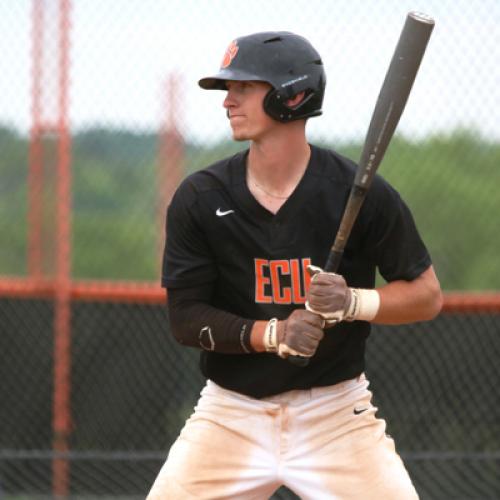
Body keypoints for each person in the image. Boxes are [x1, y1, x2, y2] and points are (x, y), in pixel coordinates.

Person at [148, 31, 443, 499]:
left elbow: (427, 296)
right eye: (228, 90)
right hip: (231, 413)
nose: (228, 101)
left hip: (335, 415)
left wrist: (351, 302)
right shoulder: (202, 197)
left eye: (243, 87)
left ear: (293, 94)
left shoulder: (356, 192)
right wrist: (275, 334)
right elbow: (186, 319)